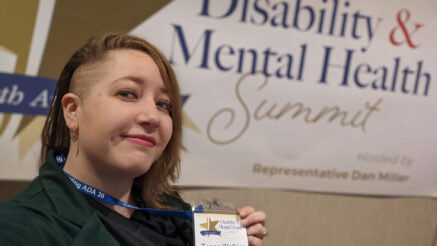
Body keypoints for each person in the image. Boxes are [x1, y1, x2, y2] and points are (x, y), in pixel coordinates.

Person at [0, 34, 266, 245]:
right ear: (72, 111)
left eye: (164, 104)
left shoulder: (182, 219)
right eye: (127, 94)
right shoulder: (17, 229)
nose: (152, 116)